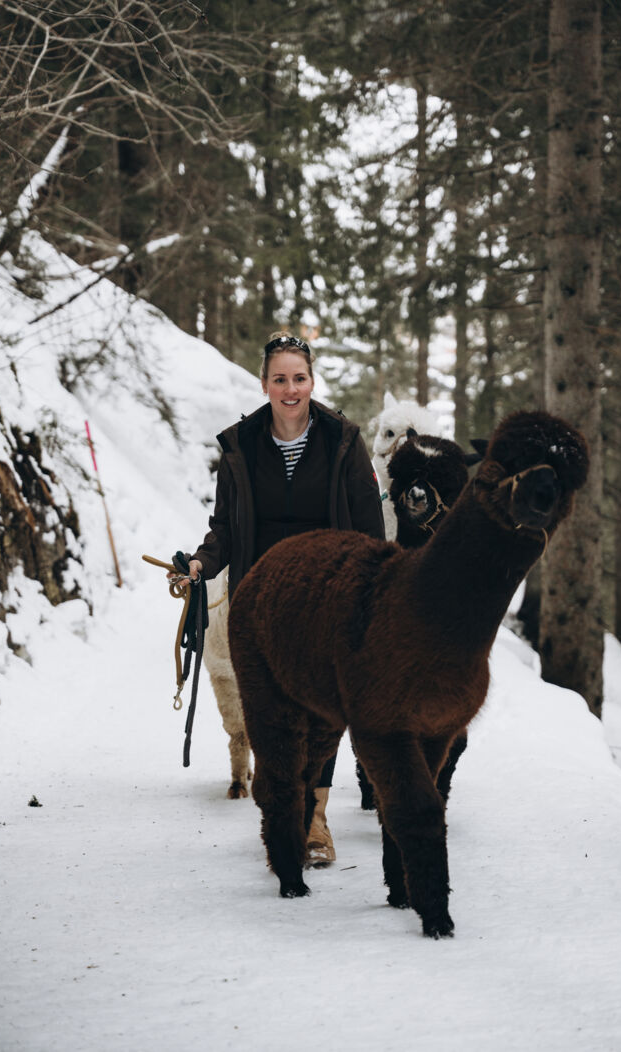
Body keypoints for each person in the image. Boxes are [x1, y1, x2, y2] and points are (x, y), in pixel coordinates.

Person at [174, 331, 385, 866]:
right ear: (264, 384)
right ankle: (283, 812)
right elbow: (224, 527)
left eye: (300, 378)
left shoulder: (342, 440)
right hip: (261, 600)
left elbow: (369, 528)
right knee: (270, 713)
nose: (290, 389)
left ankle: (314, 819)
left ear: (312, 382)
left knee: (324, 714)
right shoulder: (240, 445)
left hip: (327, 598)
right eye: (279, 379)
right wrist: (199, 565)